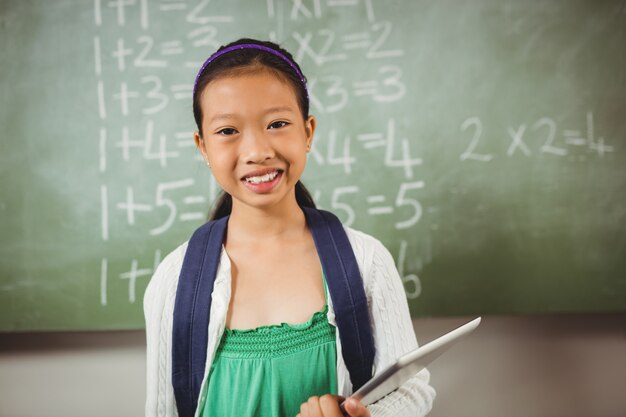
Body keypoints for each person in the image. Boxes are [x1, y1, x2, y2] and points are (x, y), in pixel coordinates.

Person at [144, 38, 435, 417]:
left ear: (308, 131)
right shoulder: (174, 281)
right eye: (228, 131)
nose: (257, 151)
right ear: (202, 147)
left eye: (278, 124)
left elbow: (412, 391)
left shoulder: (367, 263)